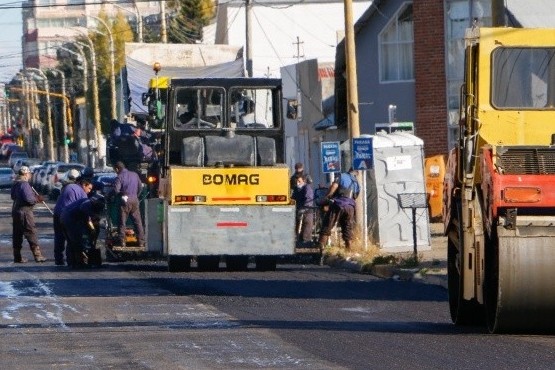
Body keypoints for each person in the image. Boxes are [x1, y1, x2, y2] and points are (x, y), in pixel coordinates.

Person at [53, 174, 93, 265]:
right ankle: (71, 260)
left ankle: (58, 259)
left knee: (59, 236)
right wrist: (90, 223)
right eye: (89, 188)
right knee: (71, 238)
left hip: (57, 213)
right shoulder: (82, 193)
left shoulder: (68, 186)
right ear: (84, 185)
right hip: (67, 216)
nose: (89, 191)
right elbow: (85, 209)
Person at [317, 167, 360, 252]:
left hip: (338, 204)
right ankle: (349, 250)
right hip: (350, 207)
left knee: (327, 225)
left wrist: (327, 197)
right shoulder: (356, 182)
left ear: (349, 170)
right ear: (356, 173)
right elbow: (356, 196)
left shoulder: (342, 176)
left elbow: (334, 186)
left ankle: (321, 250)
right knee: (347, 228)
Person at [11, 165, 46, 263]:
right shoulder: (24, 184)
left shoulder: (16, 183)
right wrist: (37, 199)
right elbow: (29, 199)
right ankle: (38, 256)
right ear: (26, 174)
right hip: (25, 212)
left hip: (16, 211)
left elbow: (13, 196)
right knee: (31, 232)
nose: (30, 175)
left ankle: (17, 257)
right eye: (29, 173)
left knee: (17, 234)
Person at [60, 193, 105, 268]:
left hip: (64, 217)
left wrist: (93, 228)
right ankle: (78, 263)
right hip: (69, 220)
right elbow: (88, 219)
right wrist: (93, 228)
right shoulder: (87, 205)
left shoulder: (88, 203)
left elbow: (89, 220)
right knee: (76, 241)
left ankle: (72, 262)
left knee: (72, 241)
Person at [112, 161, 145, 248]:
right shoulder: (135, 174)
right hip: (135, 199)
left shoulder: (119, 177)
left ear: (117, 168)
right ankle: (141, 242)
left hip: (124, 201)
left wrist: (121, 195)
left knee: (122, 222)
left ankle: (122, 241)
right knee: (138, 221)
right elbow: (140, 187)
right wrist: (135, 195)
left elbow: (116, 190)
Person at [291, 174, 315, 247]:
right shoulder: (296, 189)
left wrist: (304, 208)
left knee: (306, 226)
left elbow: (309, 199)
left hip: (307, 211)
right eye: (296, 181)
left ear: (303, 181)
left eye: (299, 181)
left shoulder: (307, 188)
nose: (297, 183)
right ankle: (299, 241)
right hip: (299, 209)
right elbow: (293, 198)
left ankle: (306, 242)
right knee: (298, 227)